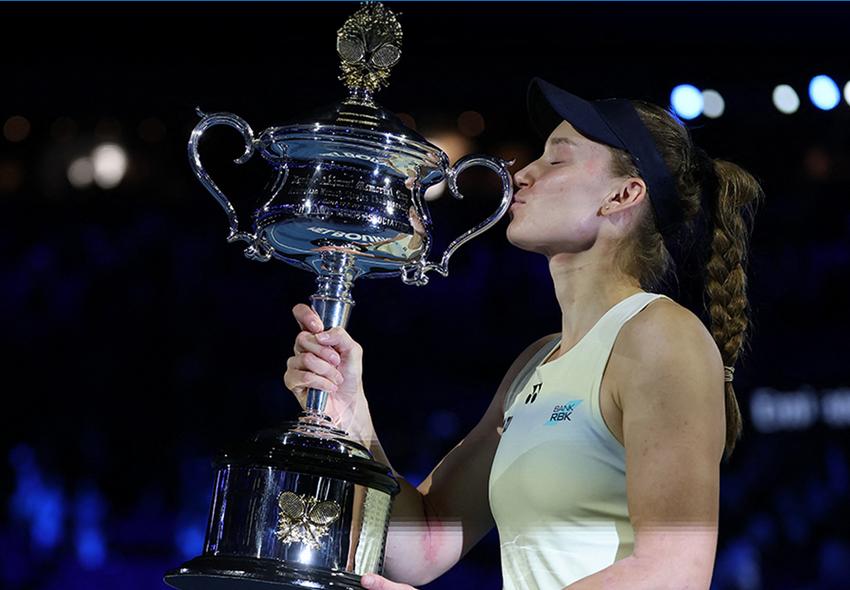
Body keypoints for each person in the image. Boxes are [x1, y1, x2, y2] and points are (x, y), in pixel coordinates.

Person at [283, 77, 763, 590]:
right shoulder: (536, 362)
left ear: (622, 195)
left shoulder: (662, 336)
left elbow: (675, 573)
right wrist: (351, 417)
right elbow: (423, 545)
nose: (523, 174)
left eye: (556, 160)